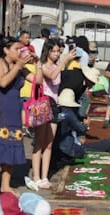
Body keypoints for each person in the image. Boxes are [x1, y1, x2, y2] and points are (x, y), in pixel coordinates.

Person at [0, 36, 41, 194]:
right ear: (5, 49)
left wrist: (38, 64)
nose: (19, 52)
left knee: (11, 146)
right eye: (16, 49)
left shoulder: (19, 66)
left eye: (21, 49)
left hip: (14, 110)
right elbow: (3, 82)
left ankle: (5, 185)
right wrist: (19, 66)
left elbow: (38, 81)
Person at [30, 39, 73, 188]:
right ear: (47, 51)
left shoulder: (56, 65)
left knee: (49, 144)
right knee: (39, 142)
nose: (56, 54)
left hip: (54, 104)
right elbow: (52, 76)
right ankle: (36, 176)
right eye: (53, 51)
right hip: (43, 103)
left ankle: (44, 176)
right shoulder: (42, 65)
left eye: (58, 52)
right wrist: (64, 62)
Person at [53, 88, 89, 165]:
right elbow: (81, 128)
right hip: (65, 145)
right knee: (82, 151)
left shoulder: (56, 110)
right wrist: (86, 125)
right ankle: (64, 158)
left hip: (53, 142)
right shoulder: (69, 114)